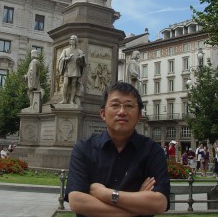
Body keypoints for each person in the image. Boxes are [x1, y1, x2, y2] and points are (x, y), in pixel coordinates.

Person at [65, 82, 170, 217]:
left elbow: (159, 203)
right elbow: (77, 202)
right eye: (115, 105)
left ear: (139, 115)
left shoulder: (152, 151)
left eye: (129, 106)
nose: (122, 112)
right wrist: (137, 202)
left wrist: (105, 194)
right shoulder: (84, 149)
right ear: (103, 114)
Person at [58, 35, 86, 104]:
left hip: (75, 69)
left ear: (76, 41)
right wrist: (66, 59)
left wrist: (81, 59)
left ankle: (71, 100)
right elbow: (61, 59)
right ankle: (64, 99)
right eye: (70, 39)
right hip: (67, 69)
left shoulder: (80, 52)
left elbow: (84, 63)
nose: (71, 40)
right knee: (65, 83)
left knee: (74, 84)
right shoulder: (65, 50)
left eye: (73, 39)